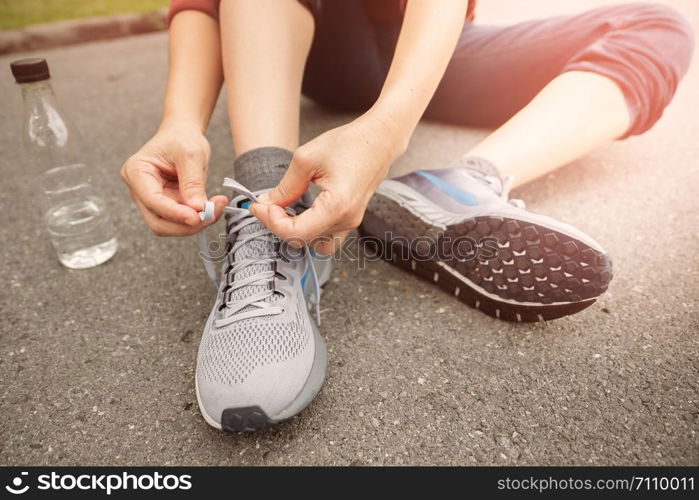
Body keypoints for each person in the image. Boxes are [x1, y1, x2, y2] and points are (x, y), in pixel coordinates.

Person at [120, 0, 693, 432]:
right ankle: (269, 204)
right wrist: (180, 120)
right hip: (312, 36)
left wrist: (390, 128)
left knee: (655, 27)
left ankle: (467, 182)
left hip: (428, 45)